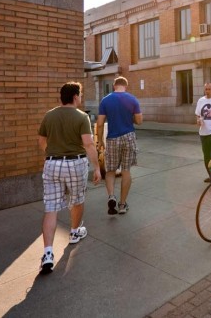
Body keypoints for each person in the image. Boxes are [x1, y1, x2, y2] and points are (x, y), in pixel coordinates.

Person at [37, 81, 101, 274]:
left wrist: (53, 153)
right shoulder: (81, 117)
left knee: (51, 208)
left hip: (52, 163)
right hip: (75, 163)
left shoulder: (49, 115)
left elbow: (41, 141)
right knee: (77, 200)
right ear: (75, 96)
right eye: (80, 95)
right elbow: (89, 145)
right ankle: (74, 232)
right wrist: (97, 167)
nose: (80, 98)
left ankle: (48, 252)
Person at [96, 76, 142, 215]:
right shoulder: (133, 99)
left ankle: (111, 196)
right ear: (125, 86)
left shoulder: (105, 100)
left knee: (110, 171)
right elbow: (139, 121)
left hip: (112, 138)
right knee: (126, 171)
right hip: (128, 137)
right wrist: (130, 116)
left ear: (114, 86)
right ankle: (122, 205)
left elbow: (99, 123)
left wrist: (99, 141)